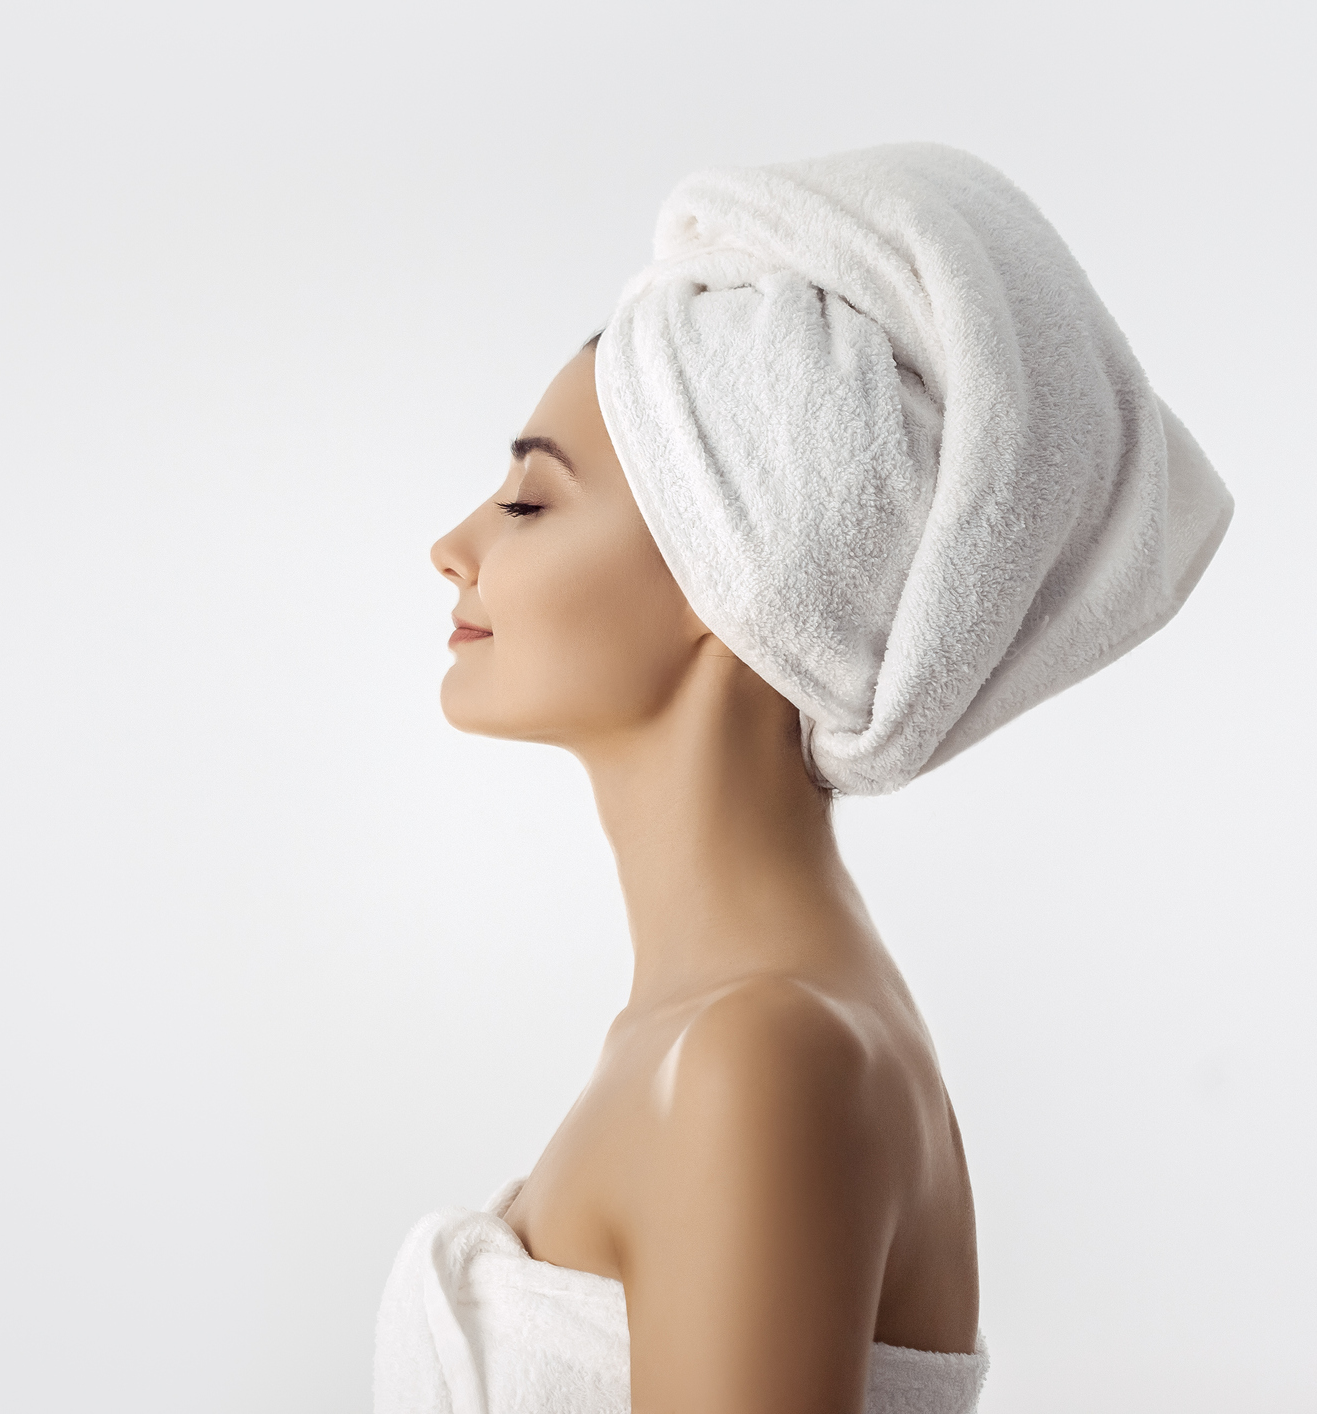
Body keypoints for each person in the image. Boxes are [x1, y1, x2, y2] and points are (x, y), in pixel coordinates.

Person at [374, 143, 1233, 1414]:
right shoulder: (734, 1033)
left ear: (729, 578)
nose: (451, 546)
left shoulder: (758, 1055)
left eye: (532, 502)